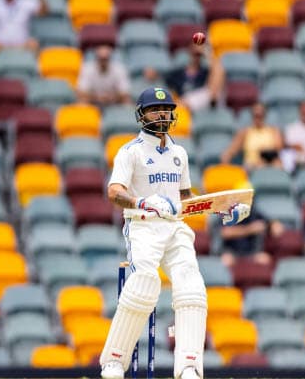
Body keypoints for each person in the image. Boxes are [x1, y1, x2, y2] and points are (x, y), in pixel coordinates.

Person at [100, 87, 250, 379]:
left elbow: (186, 198)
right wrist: (141, 201)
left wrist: (219, 207)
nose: (162, 114)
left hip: (175, 226)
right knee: (145, 281)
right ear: (142, 114)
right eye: (156, 109)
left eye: (166, 109)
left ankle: (189, 366)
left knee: (192, 286)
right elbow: (114, 192)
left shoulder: (179, 153)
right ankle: (114, 360)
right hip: (143, 224)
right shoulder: (130, 152)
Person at [220, 103, 284, 170]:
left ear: (265, 115)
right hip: (251, 166)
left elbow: (279, 148)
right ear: (252, 115)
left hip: (269, 164)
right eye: (256, 115)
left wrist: (265, 153)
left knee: (278, 165)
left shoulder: (273, 131)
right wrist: (227, 156)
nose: (258, 117)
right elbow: (232, 149)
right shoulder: (245, 133)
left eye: (261, 115)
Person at [166, 43, 225, 113]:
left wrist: (206, 53)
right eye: (194, 54)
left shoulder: (205, 73)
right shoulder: (177, 74)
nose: (197, 57)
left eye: (199, 55)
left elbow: (218, 75)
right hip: (182, 110)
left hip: (202, 109)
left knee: (214, 92)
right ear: (189, 53)